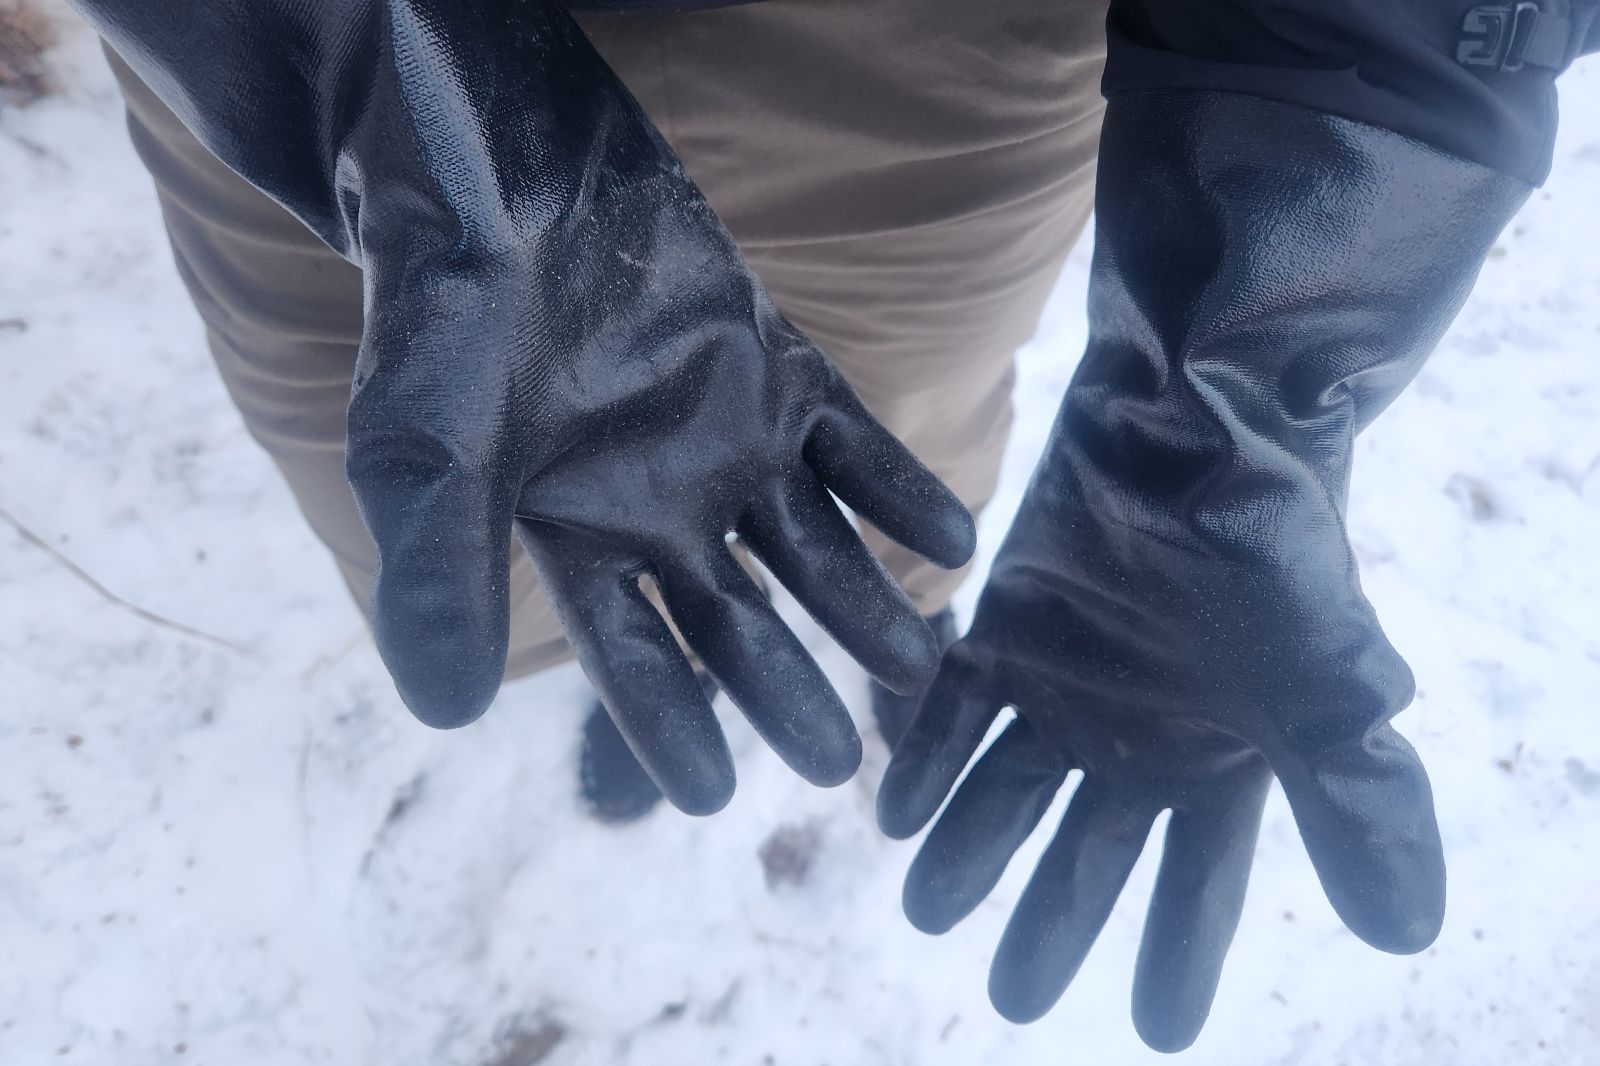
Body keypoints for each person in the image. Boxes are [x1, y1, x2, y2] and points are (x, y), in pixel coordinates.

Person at [74, 0, 1598, 1051]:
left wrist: (1248, 349)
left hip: (929, 46)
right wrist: (375, 74)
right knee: (505, 491)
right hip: (324, 70)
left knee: (886, 410)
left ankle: (899, 612)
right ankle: (648, 655)